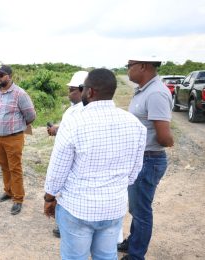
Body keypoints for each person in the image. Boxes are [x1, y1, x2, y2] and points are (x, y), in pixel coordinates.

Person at [44, 68, 147, 260]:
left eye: (83, 89)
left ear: (89, 92)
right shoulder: (135, 125)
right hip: (113, 207)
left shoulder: (73, 123)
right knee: (107, 256)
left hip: (77, 208)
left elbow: (57, 170)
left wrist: (49, 198)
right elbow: (134, 173)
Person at [118, 57, 174, 260]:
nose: (127, 70)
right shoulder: (144, 90)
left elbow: (164, 136)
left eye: (129, 66)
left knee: (141, 210)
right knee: (136, 206)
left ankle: (136, 255)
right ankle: (134, 241)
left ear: (143, 66)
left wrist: (169, 140)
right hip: (141, 159)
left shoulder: (156, 93)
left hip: (149, 159)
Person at [0, 65, 36, 215]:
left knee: (15, 168)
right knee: (4, 166)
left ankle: (18, 199)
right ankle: (8, 192)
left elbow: (31, 115)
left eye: (1, 75)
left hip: (13, 137)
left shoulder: (20, 94)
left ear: (9, 76)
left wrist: (18, 127)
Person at [46, 70, 88, 238]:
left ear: (84, 90)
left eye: (72, 89)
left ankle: (68, 227)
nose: (68, 92)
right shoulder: (74, 109)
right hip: (72, 161)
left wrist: (48, 196)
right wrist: (57, 129)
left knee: (69, 194)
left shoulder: (82, 111)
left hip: (74, 162)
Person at [47, 70, 87, 137]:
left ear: (83, 90)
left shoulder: (73, 112)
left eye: (72, 90)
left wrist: (55, 130)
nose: (69, 93)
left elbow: (69, 135)